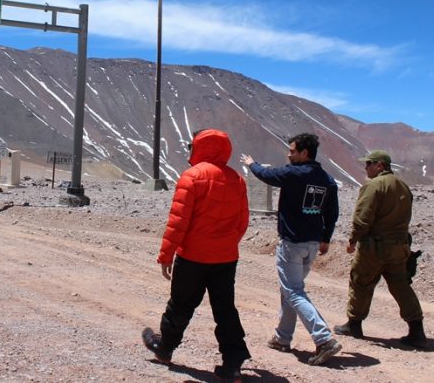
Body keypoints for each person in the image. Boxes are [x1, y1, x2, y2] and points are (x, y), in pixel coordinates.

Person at [142, 128, 251, 382]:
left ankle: (164, 348)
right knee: (225, 309)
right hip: (226, 258)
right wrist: (226, 243)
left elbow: (178, 222)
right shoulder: (237, 179)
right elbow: (243, 221)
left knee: (181, 304)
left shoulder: (192, 177)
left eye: (192, 146)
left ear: (200, 148)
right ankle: (233, 362)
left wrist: (166, 255)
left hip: (193, 256)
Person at [240, 133, 343, 366]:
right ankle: (282, 338)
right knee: (291, 290)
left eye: (292, 150)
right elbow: (332, 212)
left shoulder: (293, 174)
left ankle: (324, 338)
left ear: (304, 153)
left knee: (294, 291)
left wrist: (251, 164)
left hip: (292, 243)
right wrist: (326, 238)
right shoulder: (327, 179)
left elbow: (267, 175)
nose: (288, 154)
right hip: (313, 243)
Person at [334, 150, 427, 347]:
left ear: (380, 165)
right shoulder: (403, 186)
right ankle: (416, 329)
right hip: (399, 247)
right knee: (401, 285)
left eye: (369, 163)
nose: (365, 167)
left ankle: (354, 324)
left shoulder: (374, 185)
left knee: (360, 282)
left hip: (374, 247)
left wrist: (353, 240)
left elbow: (362, 217)